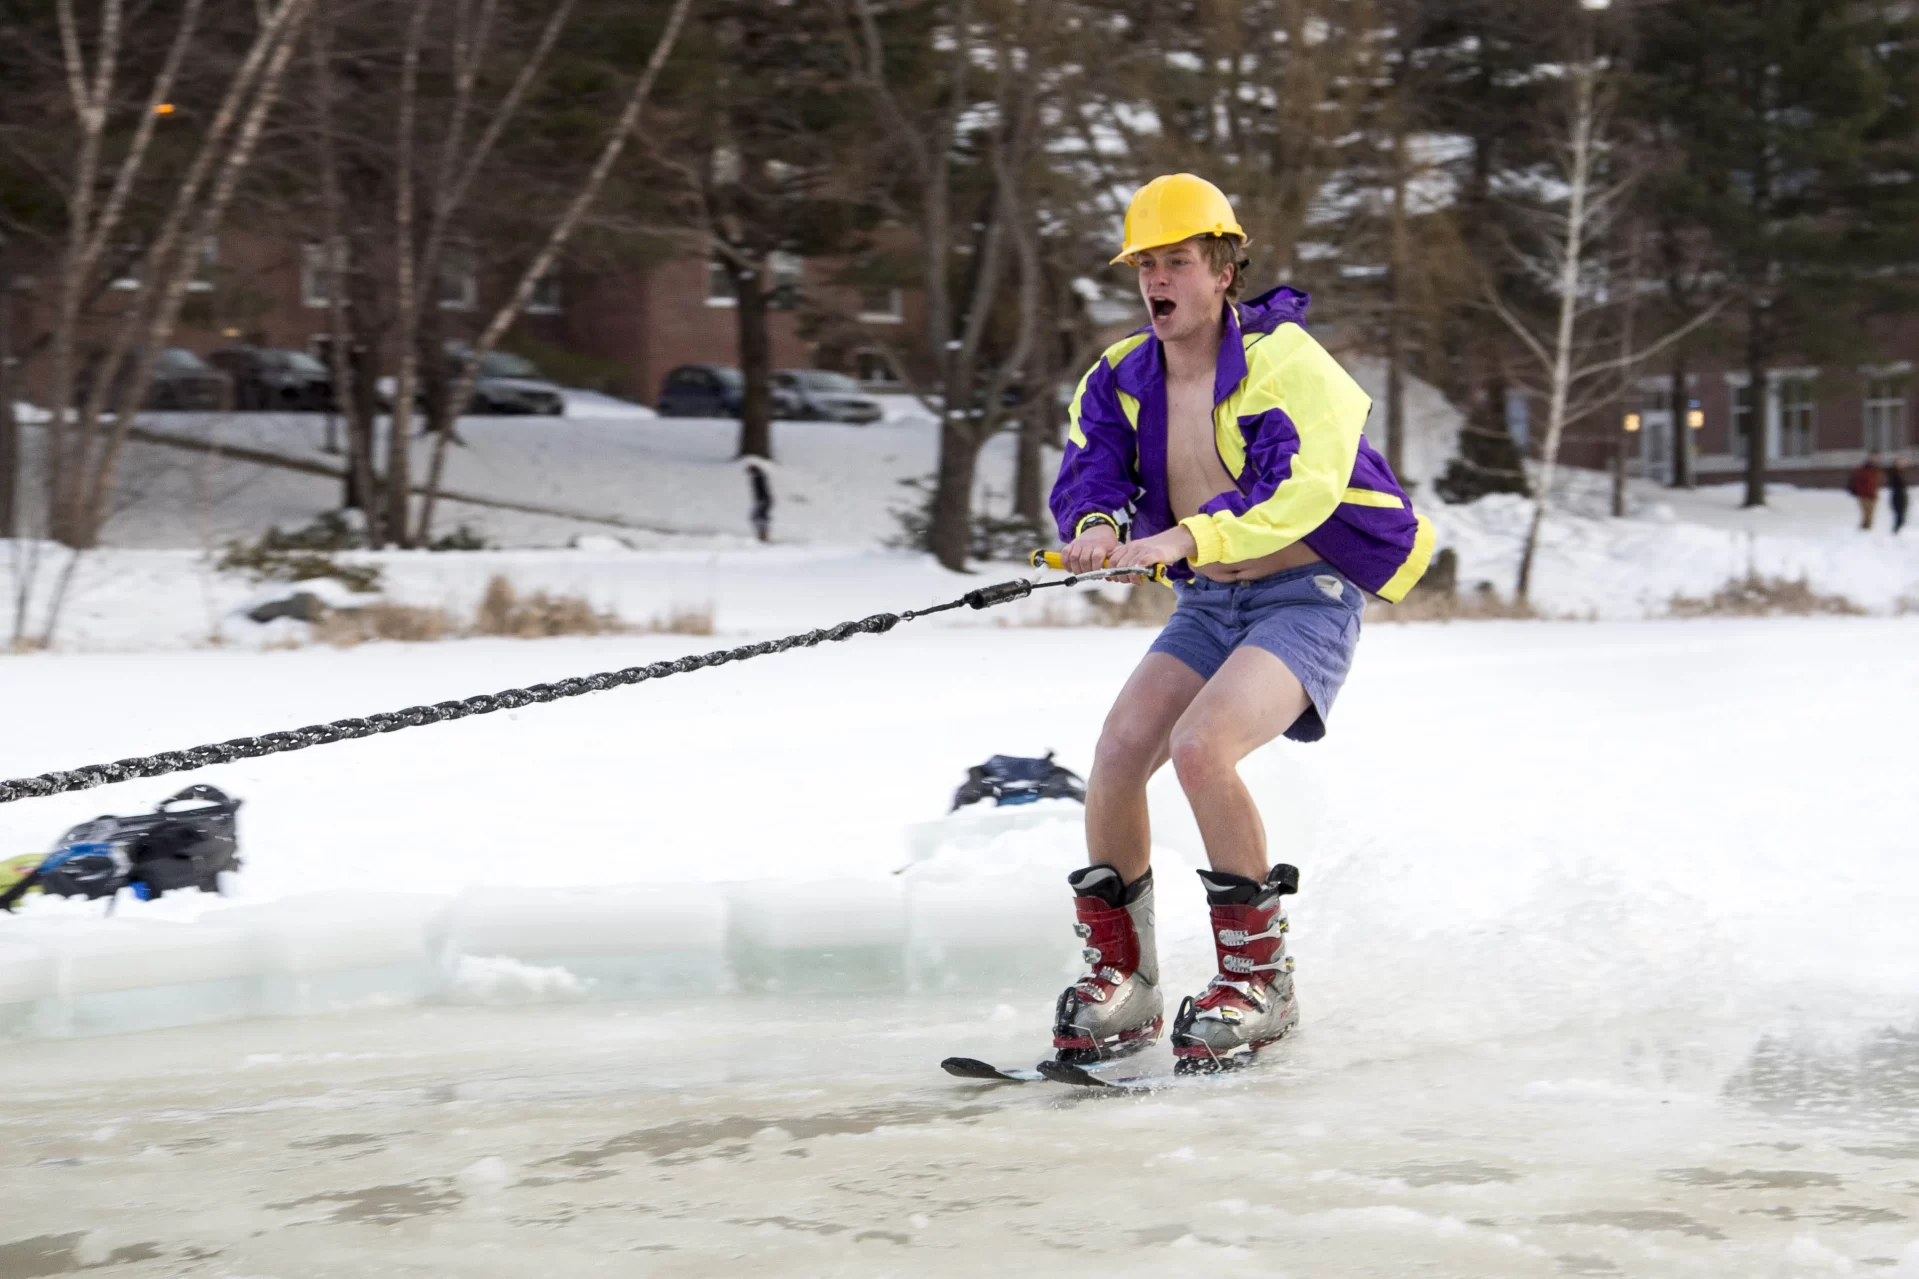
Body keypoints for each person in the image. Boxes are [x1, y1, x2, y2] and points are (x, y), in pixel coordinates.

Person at [1046, 174, 1432, 1072]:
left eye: (1176, 260)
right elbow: (1090, 464)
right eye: (1145, 263)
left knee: (1200, 746)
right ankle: (1124, 980)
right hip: (1209, 601)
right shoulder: (1118, 374)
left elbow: (1296, 491)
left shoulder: (1286, 361)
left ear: (1222, 268)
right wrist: (1098, 527)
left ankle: (1258, 982)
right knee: (1116, 753)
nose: (1156, 280)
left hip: (1306, 595)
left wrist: (1181, 534)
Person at [1850, 453, 1882, 531]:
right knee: (1866, 514)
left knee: (1870, 515)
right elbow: (1858, 482)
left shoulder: (1876, 470)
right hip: (1864, 495)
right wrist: (1861, 492)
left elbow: (1876, 483)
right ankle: (1864, 531)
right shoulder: (1863, 470)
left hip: (1872, 495)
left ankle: (1866, 531)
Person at [746, 461, 772, 543]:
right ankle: (762, 535)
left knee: (758, 517)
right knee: (759, 517)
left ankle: (763, 535)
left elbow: (761, 490)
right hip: (763, 499)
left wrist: (762, 500)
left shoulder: (758, 477)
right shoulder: (759, 477)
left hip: (763, 500)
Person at [1886, 455, 1908, 535]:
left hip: (1901, 496)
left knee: (1901, 516)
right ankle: (1895, 532)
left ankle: (1896, 532)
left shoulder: (1901, 473)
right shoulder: (1894, 473)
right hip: (1897, 497)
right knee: (1899, 516)